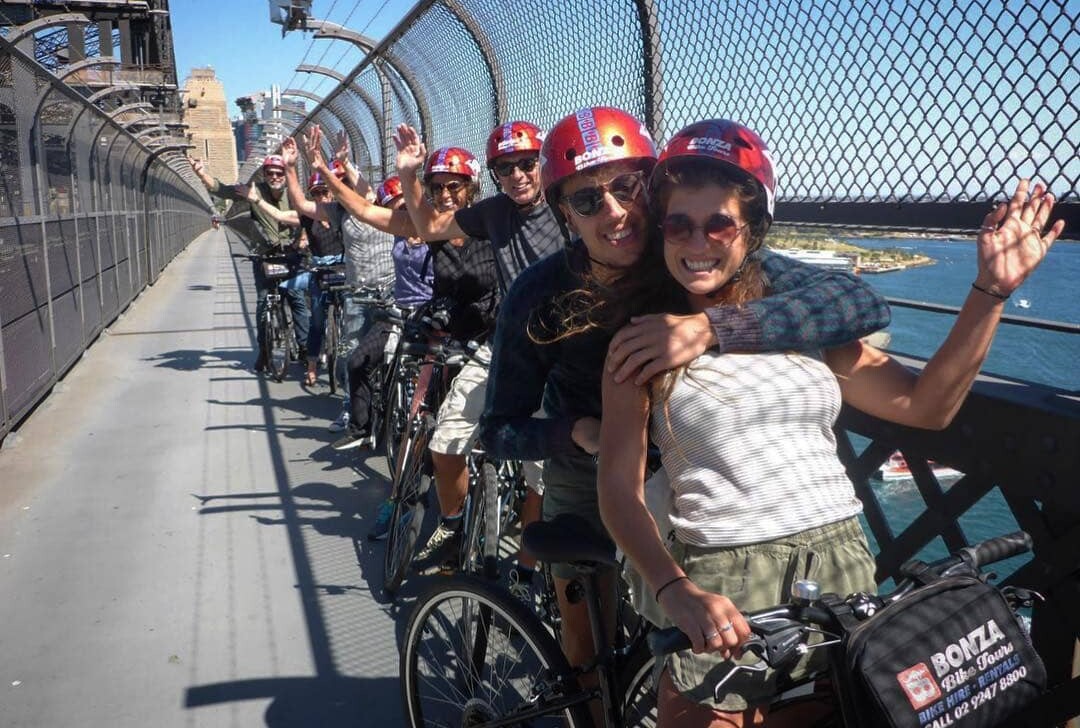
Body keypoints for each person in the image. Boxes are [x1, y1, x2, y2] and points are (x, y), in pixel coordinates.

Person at [593, 119, 1062, 727]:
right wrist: (673, 588)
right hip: (722, 576)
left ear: (751, 230)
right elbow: (617, 488)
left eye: (719, 223)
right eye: (678, 224)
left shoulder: (805, 329)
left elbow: (925, 406)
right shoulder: (644, 341)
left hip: (840, 565)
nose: (696, 241)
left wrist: (990, 292)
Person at [477, 107, 892, 713]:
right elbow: (498, 430)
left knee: (694, 640)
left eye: (627, 187)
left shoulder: (690, 246)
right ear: (564, 213)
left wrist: (711, 326)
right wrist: (578, 432)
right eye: (588, 200)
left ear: (653, 188)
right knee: (586, 641)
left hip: (695, 472)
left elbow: (855, 300)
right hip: (590, 472)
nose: (614, 212)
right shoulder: (538, 294)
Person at [393, 121, 561, 594]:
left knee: (540, 474)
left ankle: (526, 568)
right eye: (505, 168)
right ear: (494, 175)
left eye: (527, 164)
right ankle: (453, 522)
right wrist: (409, 174)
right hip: (504, 347)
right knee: (445, 442)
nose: (518, 176)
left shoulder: (568, 207)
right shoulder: (493, 212)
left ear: (542, 165)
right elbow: (428, 227)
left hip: (560, 355)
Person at [188, 154, 309, 371]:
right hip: (264, 254)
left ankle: (304, 349)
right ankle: (264, 351)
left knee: (296, 296)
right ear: (264, 174)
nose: (274, 176)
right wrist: (200, 173)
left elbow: (308, 215)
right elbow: (222, 189)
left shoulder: (294, 192)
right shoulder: (253, 189)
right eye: (270, 172)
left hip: (291, 254)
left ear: (284, 174)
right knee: (263, 302)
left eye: (279, 173)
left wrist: (302, 239)